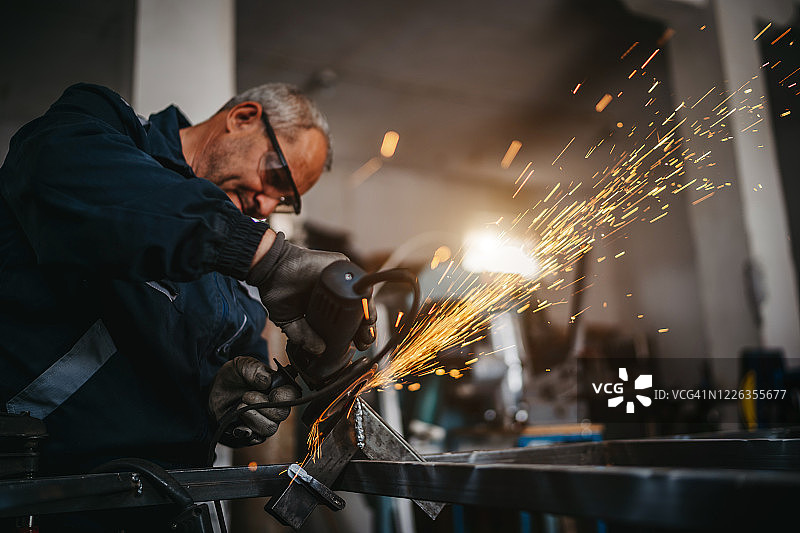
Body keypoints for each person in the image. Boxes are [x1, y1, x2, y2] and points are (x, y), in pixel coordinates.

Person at [0, 82, 376, 481]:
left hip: (171, 502)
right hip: (41, 489)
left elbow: (231, 398)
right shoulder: (108, 131)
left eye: (284, 200)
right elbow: (60, 169)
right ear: (243, 118)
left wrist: (223, 403)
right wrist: (265, 256)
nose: (265, 205)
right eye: (275, 173)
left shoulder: (242, 296)